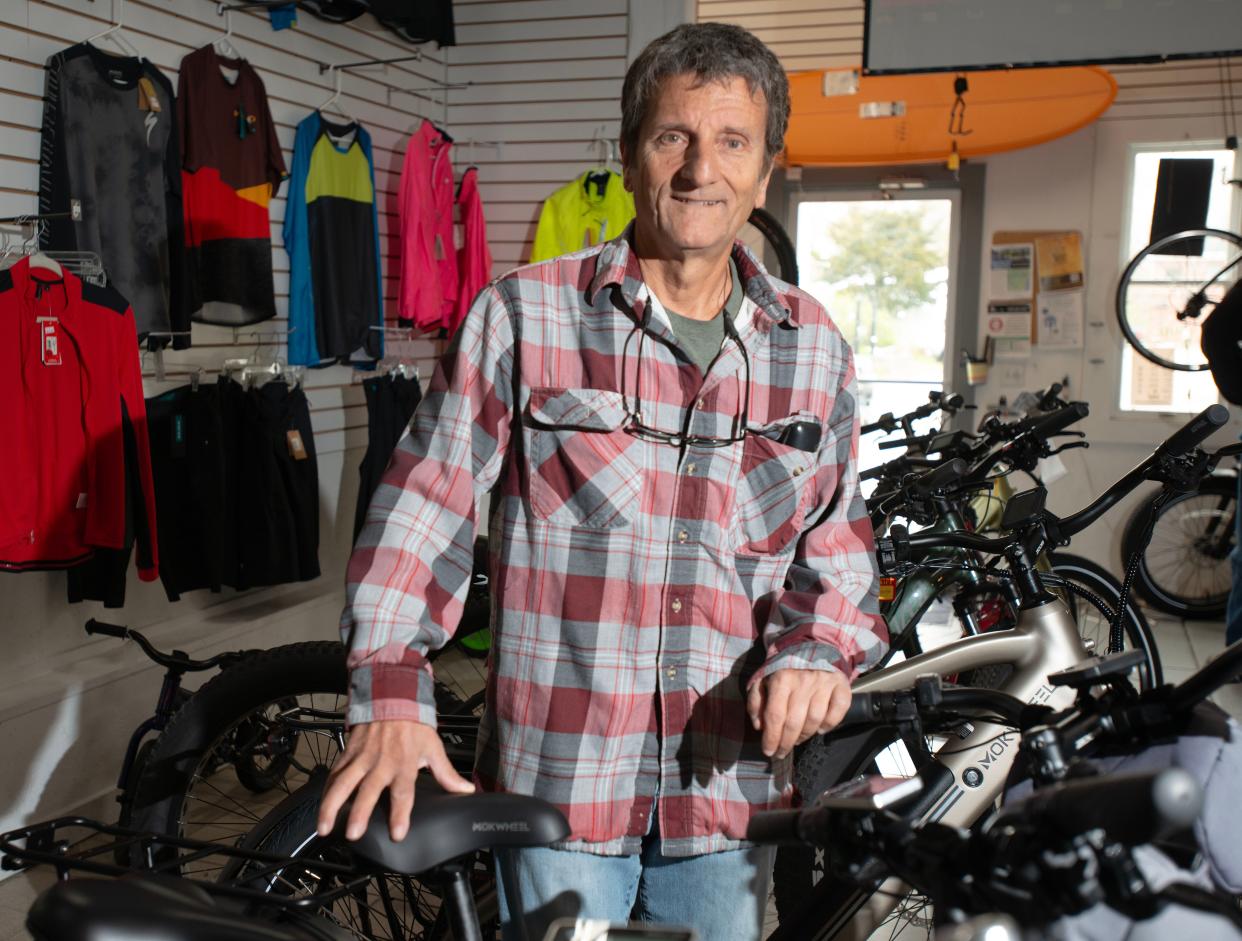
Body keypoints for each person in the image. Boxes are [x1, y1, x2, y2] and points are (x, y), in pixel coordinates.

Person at [318, 22, 888, 941]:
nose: (702, 169)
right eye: (674, 137)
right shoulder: (524, 315)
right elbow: (423, 511)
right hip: (562, 785)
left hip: (726, 789)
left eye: (732, 142)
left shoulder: (812, 348)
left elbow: (838, 550)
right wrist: (390, 688)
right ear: (629, 158)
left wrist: (817, 651)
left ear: (766, 170)